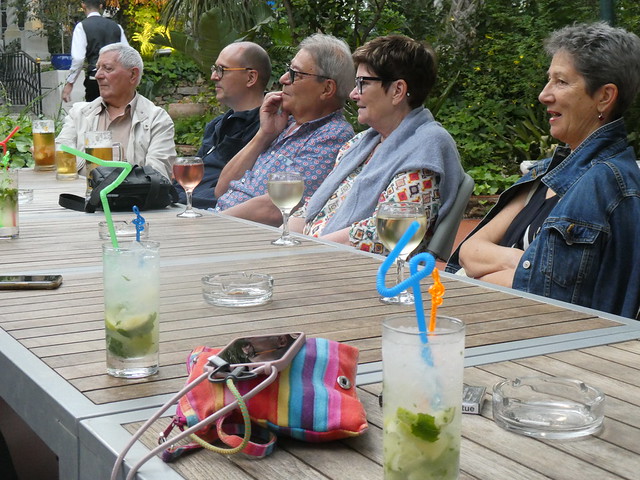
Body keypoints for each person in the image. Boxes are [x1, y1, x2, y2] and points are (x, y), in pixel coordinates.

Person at [446, 22, 640, 319]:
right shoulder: (547, 172)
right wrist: (521, 262)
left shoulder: (605, 183)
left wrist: (495, 272)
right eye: (549, 80)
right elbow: (469, 251)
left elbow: (549, 300)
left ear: (604, 97)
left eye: (561, 82)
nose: (543, 95)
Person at [288, 35, 463, 253]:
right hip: (314, 254)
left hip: (356, 268)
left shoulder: (426, 148)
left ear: (397, 91)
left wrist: (307, 252)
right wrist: (282, 243)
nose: (353, 94)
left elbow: (390, 231)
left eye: (363, 83)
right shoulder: (359, 144)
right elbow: (311, 209)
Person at [214, 33, 355, 225]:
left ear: (326, 89)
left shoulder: (333, 136)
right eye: (288, 70)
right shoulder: (283, 124)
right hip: (220, 220)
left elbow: (276, 207)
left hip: (242, 232)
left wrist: (213, 223)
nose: (283, 79)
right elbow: (221, 189)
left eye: (295, 74)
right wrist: (263, 135)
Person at [56, 43, 176, 180]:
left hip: (133, 195)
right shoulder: (79, 113)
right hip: (80, 193)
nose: (98, 75)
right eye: (97, 69)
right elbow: (61, 154)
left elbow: (158, 176)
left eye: (107, 68)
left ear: (132, 75)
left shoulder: (156, 119)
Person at [173, 42, 271, 208]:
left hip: (214, 212)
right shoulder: (216, 125)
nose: (214, 76)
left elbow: (235, 193)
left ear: (250, 78)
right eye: (214, 69)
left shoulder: (269, 128)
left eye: (221, 70)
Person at [62, 0, 128, 103]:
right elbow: (127, 54)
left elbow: (78, 59)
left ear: (83, 5)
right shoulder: (116, 27)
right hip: (116, 78)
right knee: (117, 110)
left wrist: (70, 83)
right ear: (100, 6)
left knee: (95, 111)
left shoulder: (82, 26)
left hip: (96, 77)